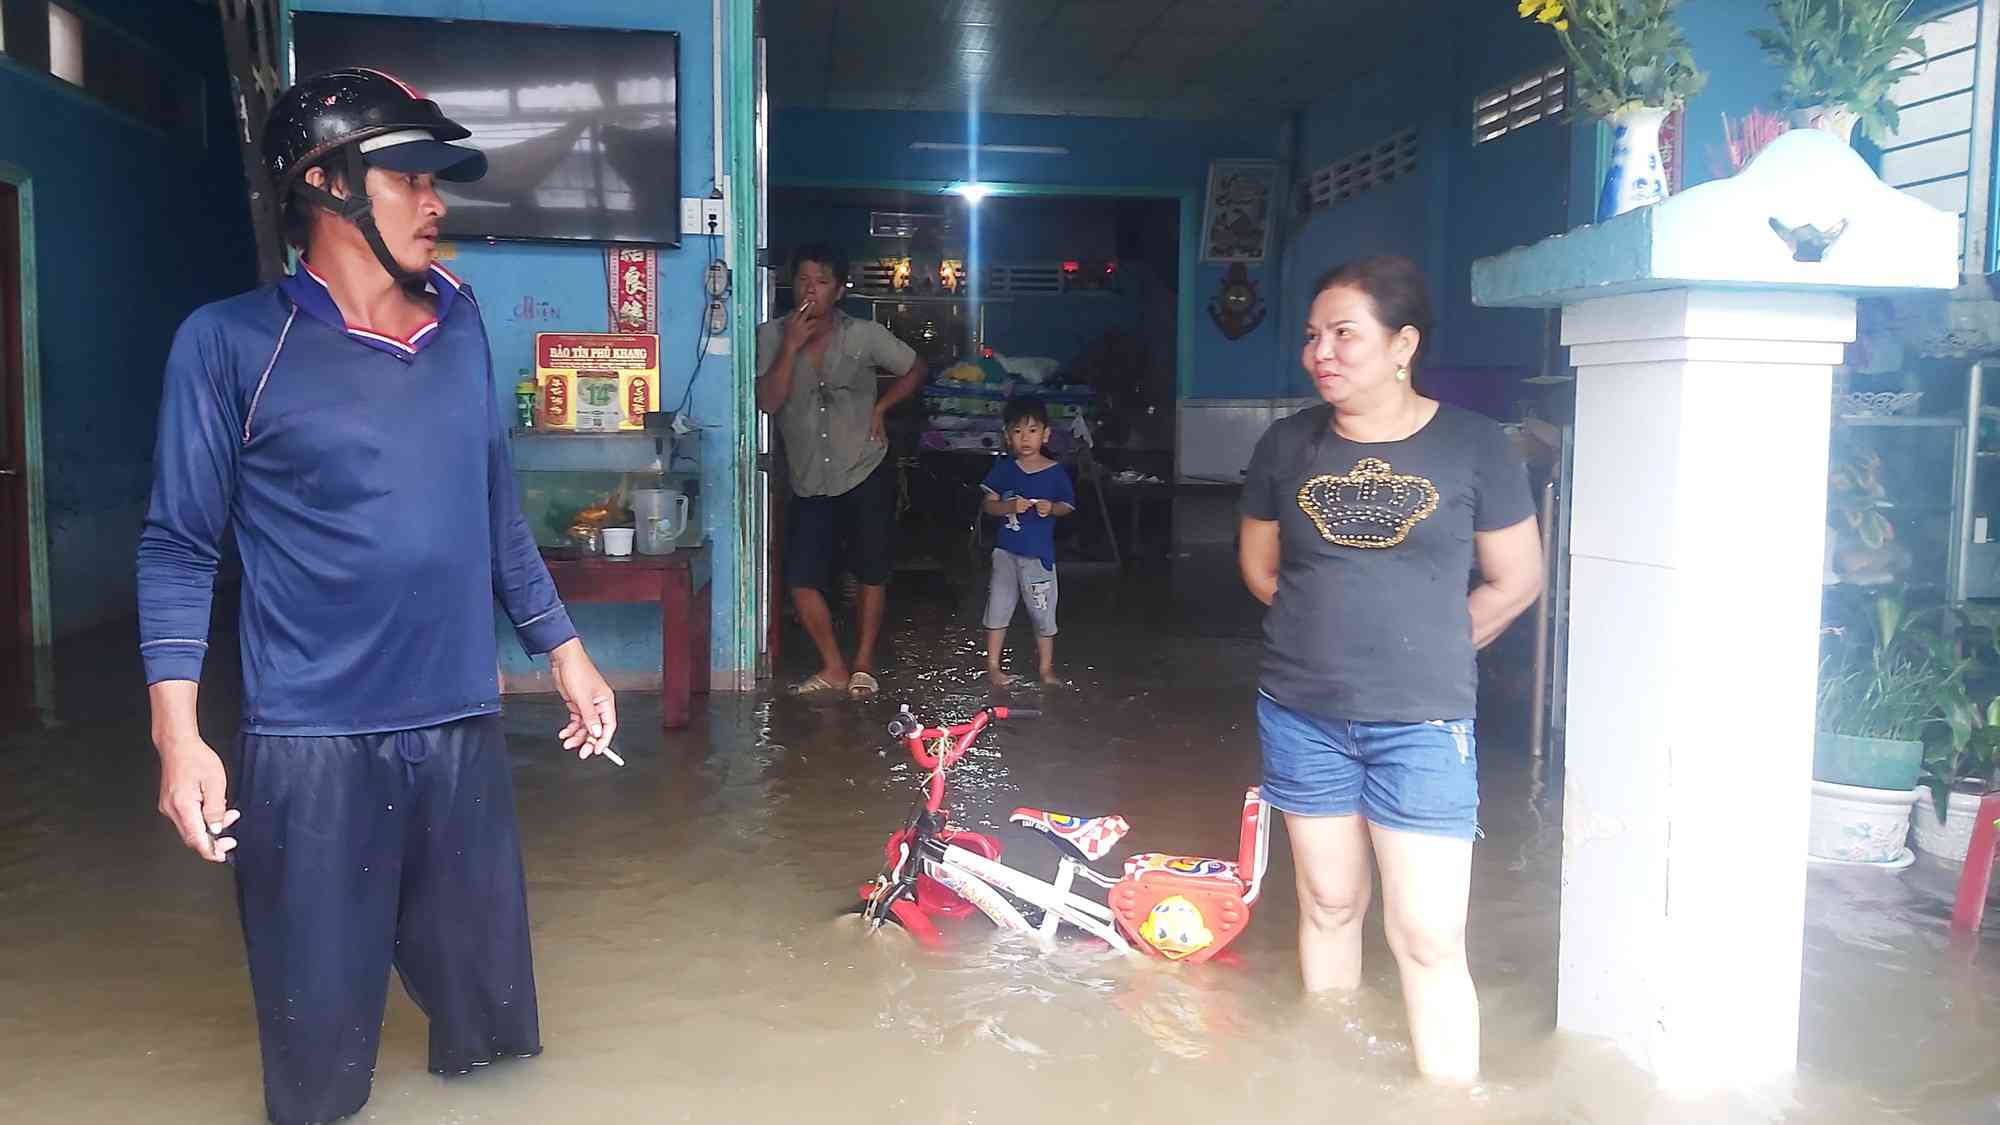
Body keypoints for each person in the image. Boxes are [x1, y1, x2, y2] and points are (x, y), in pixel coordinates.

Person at [136, 68, 619, 1125]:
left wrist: (561, 645)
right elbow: (179, 546)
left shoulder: (457, 315)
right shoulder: (227, 346)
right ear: (325, 184)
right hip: (310, 744)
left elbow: (491, 496)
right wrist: (180, 737)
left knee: (493, 1046)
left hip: (459, 726)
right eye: (410, 176)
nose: (437, 200)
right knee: (319, 1078)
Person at [1236, 255, 1543, 1081]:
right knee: (1329, 905)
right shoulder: (1285, 443)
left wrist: (1432, 649)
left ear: (1403, 343)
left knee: (1430, 933)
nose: (1321, 352)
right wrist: (1328, 643)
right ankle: (1332, 1083)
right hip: (1302, 712)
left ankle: (1449, 1097)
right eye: (1312, 336)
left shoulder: (1475, 445)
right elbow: (1263, 571)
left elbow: (1518, 580)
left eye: (1344, 333)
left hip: (1424, 723)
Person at [755, 242, 928, 699]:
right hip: (809, 475)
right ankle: (832, 666)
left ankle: (863, 664)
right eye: (804, 280)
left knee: (872, 570)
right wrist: (790, 348)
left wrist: (883, 408)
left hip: (863, 467)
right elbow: (768, 402)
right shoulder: (772, 336)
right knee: (800, 577)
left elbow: (915, 368)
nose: (810, 290)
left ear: (840, 289)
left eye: (822, 282)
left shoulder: (864, 335)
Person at [979, 398, 1076, 686]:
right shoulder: (1005, 468)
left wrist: (1052, 508)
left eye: (1032, 431)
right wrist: (1008, 507)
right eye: (1018, 431)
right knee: (998, 607)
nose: (1025, 437)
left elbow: (1067, 506)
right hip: (1005, 554)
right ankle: (993, 666)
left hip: (1038, 556)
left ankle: (1046, 669)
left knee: (1042, 612)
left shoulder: (1056, 472)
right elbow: (988, 505)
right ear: (1008, 436)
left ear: (1046, 435)